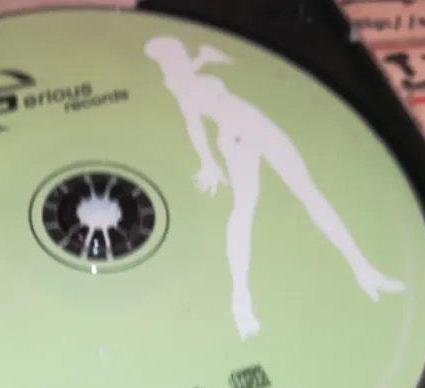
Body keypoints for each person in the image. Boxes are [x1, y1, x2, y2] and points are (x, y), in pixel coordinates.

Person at [144, 36, 405, 340]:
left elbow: (195, 72)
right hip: (238, 135)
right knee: (246, 210)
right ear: (168, 58)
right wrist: (208, 162)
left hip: (259, 124)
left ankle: (364, 270)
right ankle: (240, 300)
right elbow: (194, 124)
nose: (180, 54)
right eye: (174, 53)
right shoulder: (179, 85)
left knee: (309, 194)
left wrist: (204, 57)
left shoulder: (186, 73)